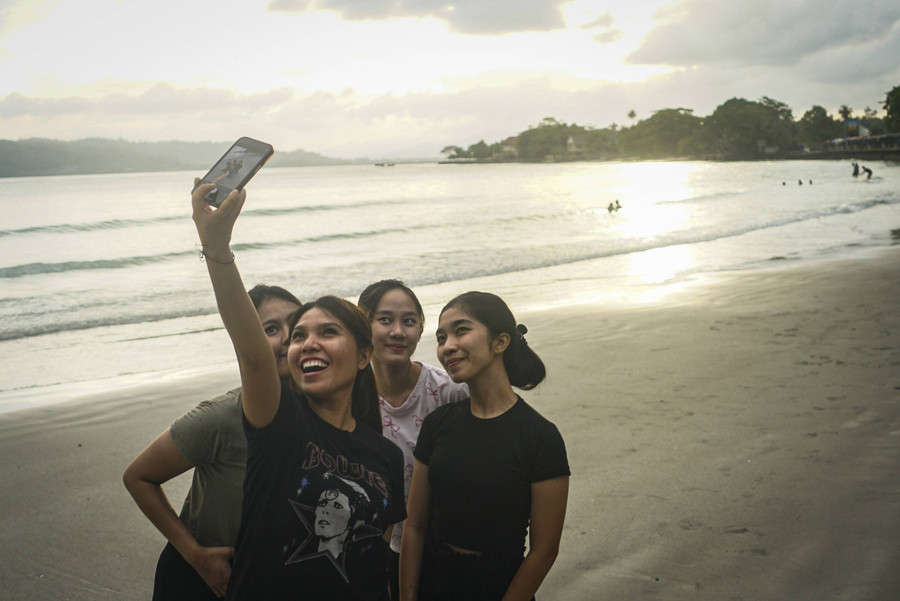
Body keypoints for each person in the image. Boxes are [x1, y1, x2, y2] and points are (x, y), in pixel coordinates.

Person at [189, 180, 406, 600]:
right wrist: (217, 248)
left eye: (328, 332)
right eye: (299, 336)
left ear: (364, 357)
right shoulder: (279, 419)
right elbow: (253, 354)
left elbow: (376, 558)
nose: (308, 343)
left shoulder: (386, 456)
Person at [123, 284, 301, 600]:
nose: (287, 337)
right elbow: (138, 477)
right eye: (271, 329)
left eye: (297, 326)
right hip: (199, 577)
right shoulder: (224, 415)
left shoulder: (321, 414)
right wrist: (195, 555)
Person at [400, 292, 570, 601]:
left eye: (461, 330)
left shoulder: (540, 437)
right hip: (433, 582)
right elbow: (415, 524)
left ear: (500, 342)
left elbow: (544, 550)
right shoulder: (438, 424)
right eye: (441, 338)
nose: (447, 346)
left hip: (500, 587)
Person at [357, 280, 468, 599]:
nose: (397, 332)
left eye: (408, 321)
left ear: (421, 329)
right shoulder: (350, 396)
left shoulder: (447, 390)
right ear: (364, 326)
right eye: (385, 320)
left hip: (444, 543)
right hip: (377, 546)